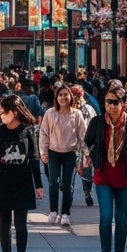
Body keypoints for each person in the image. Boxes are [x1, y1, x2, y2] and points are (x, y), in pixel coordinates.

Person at [84, 86, 127, 252]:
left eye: (115, 102)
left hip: (125, 175)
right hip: (103, 176)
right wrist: (95, 159)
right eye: (108, 102)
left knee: (121, 218)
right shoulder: (97, 122)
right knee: (105, 216)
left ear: (123, 104)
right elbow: (88, 142)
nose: (111, 106)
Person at [0, 96, 43, 252]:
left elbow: (34, 158)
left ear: (15, 112)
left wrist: (38, 185)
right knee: (4, 225)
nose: (1, 115)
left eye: (4, 112)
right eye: (0, 112)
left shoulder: (27, 130)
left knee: (20, 224)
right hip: (1, 180)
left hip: (22, 181)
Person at [41, 84, 87, 226]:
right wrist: (43, 151)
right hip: (53, 153)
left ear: (70, 97)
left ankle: (65, 213)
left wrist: (85, 155)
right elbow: (44, 134)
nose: (63, 97)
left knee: (68, 185)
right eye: (60, 95)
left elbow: (82, 135)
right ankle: (53, 211)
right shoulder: (50, 113)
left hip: (70, 154)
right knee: (53, 183)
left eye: (66, 95)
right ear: (56, 97)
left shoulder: (76, 114)